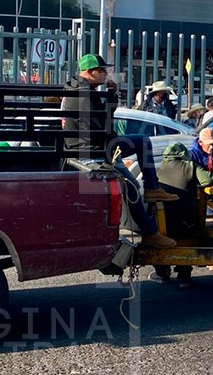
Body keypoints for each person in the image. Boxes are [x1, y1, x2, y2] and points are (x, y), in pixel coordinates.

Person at [62, 54, 176, 248]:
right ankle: (151, 232)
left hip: (94, 145)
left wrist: (111, 99)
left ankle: (152, 188)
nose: (106, 74)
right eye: (103, 70)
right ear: (90, 72)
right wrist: (114, 144)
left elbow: (102, 120)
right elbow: (99, 127)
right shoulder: (84, 94)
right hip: (92, 150)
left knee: (142, 142)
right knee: (131, 185)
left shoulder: (80, 89)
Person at [151, 142, 213, 288]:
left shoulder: (157, 170)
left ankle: (162, 273)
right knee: (187, 241)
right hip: (187, 222)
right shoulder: (190, 166)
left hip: (163, 223)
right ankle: (184, 277)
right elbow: (208, 180)